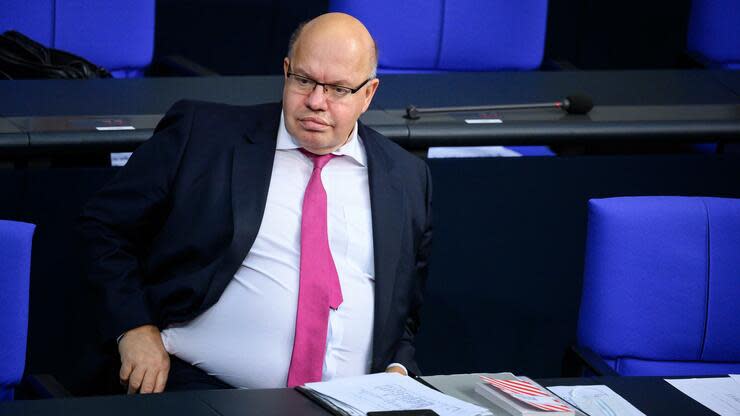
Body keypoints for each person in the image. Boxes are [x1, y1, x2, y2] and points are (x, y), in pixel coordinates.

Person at [80, 12, 432, 394]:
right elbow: (103, 225)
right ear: (285, 71)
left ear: (369, 94)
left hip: (351, 401)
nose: (316, 101)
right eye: (304, 80)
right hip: (200, 387)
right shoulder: (203, 136)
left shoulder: (407, 178)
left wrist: (398, 369)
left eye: (338, 89)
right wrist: (133, 327)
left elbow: (403, 313)